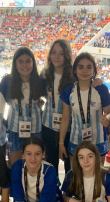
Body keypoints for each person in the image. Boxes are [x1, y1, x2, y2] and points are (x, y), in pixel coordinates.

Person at [59, 52, 110, 165]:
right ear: (75, 70)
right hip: (76, 140)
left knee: (97, 176)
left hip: (98, 140)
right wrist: (61, 143)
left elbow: (109, 112)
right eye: (80, 67)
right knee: (77, 177)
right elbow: (65, 118)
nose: (85, 71)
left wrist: (107, 118)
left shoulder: (101, 89)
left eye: (89, 67)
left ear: (93, 70)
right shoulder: (69, 91)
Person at [1, 47, 46, 167]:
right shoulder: (8, 81)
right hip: (15, 130)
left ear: (33, 63)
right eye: (20, 61)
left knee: (34, 166)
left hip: (35, 129)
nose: (24, 65)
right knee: (15, 167)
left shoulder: (40, 81)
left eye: (28, 61)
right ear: (15, 64)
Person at [41, 39, 75, 175]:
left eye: (61, 53)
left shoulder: (74, 76)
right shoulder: (45, 75)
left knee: (70, 167)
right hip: (48, 126)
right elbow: (37, 92)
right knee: (50, 166)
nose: (56, 56)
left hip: (69, 129)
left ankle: (68, 194)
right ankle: (52, 194)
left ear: (67, 55)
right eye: (54, 52)